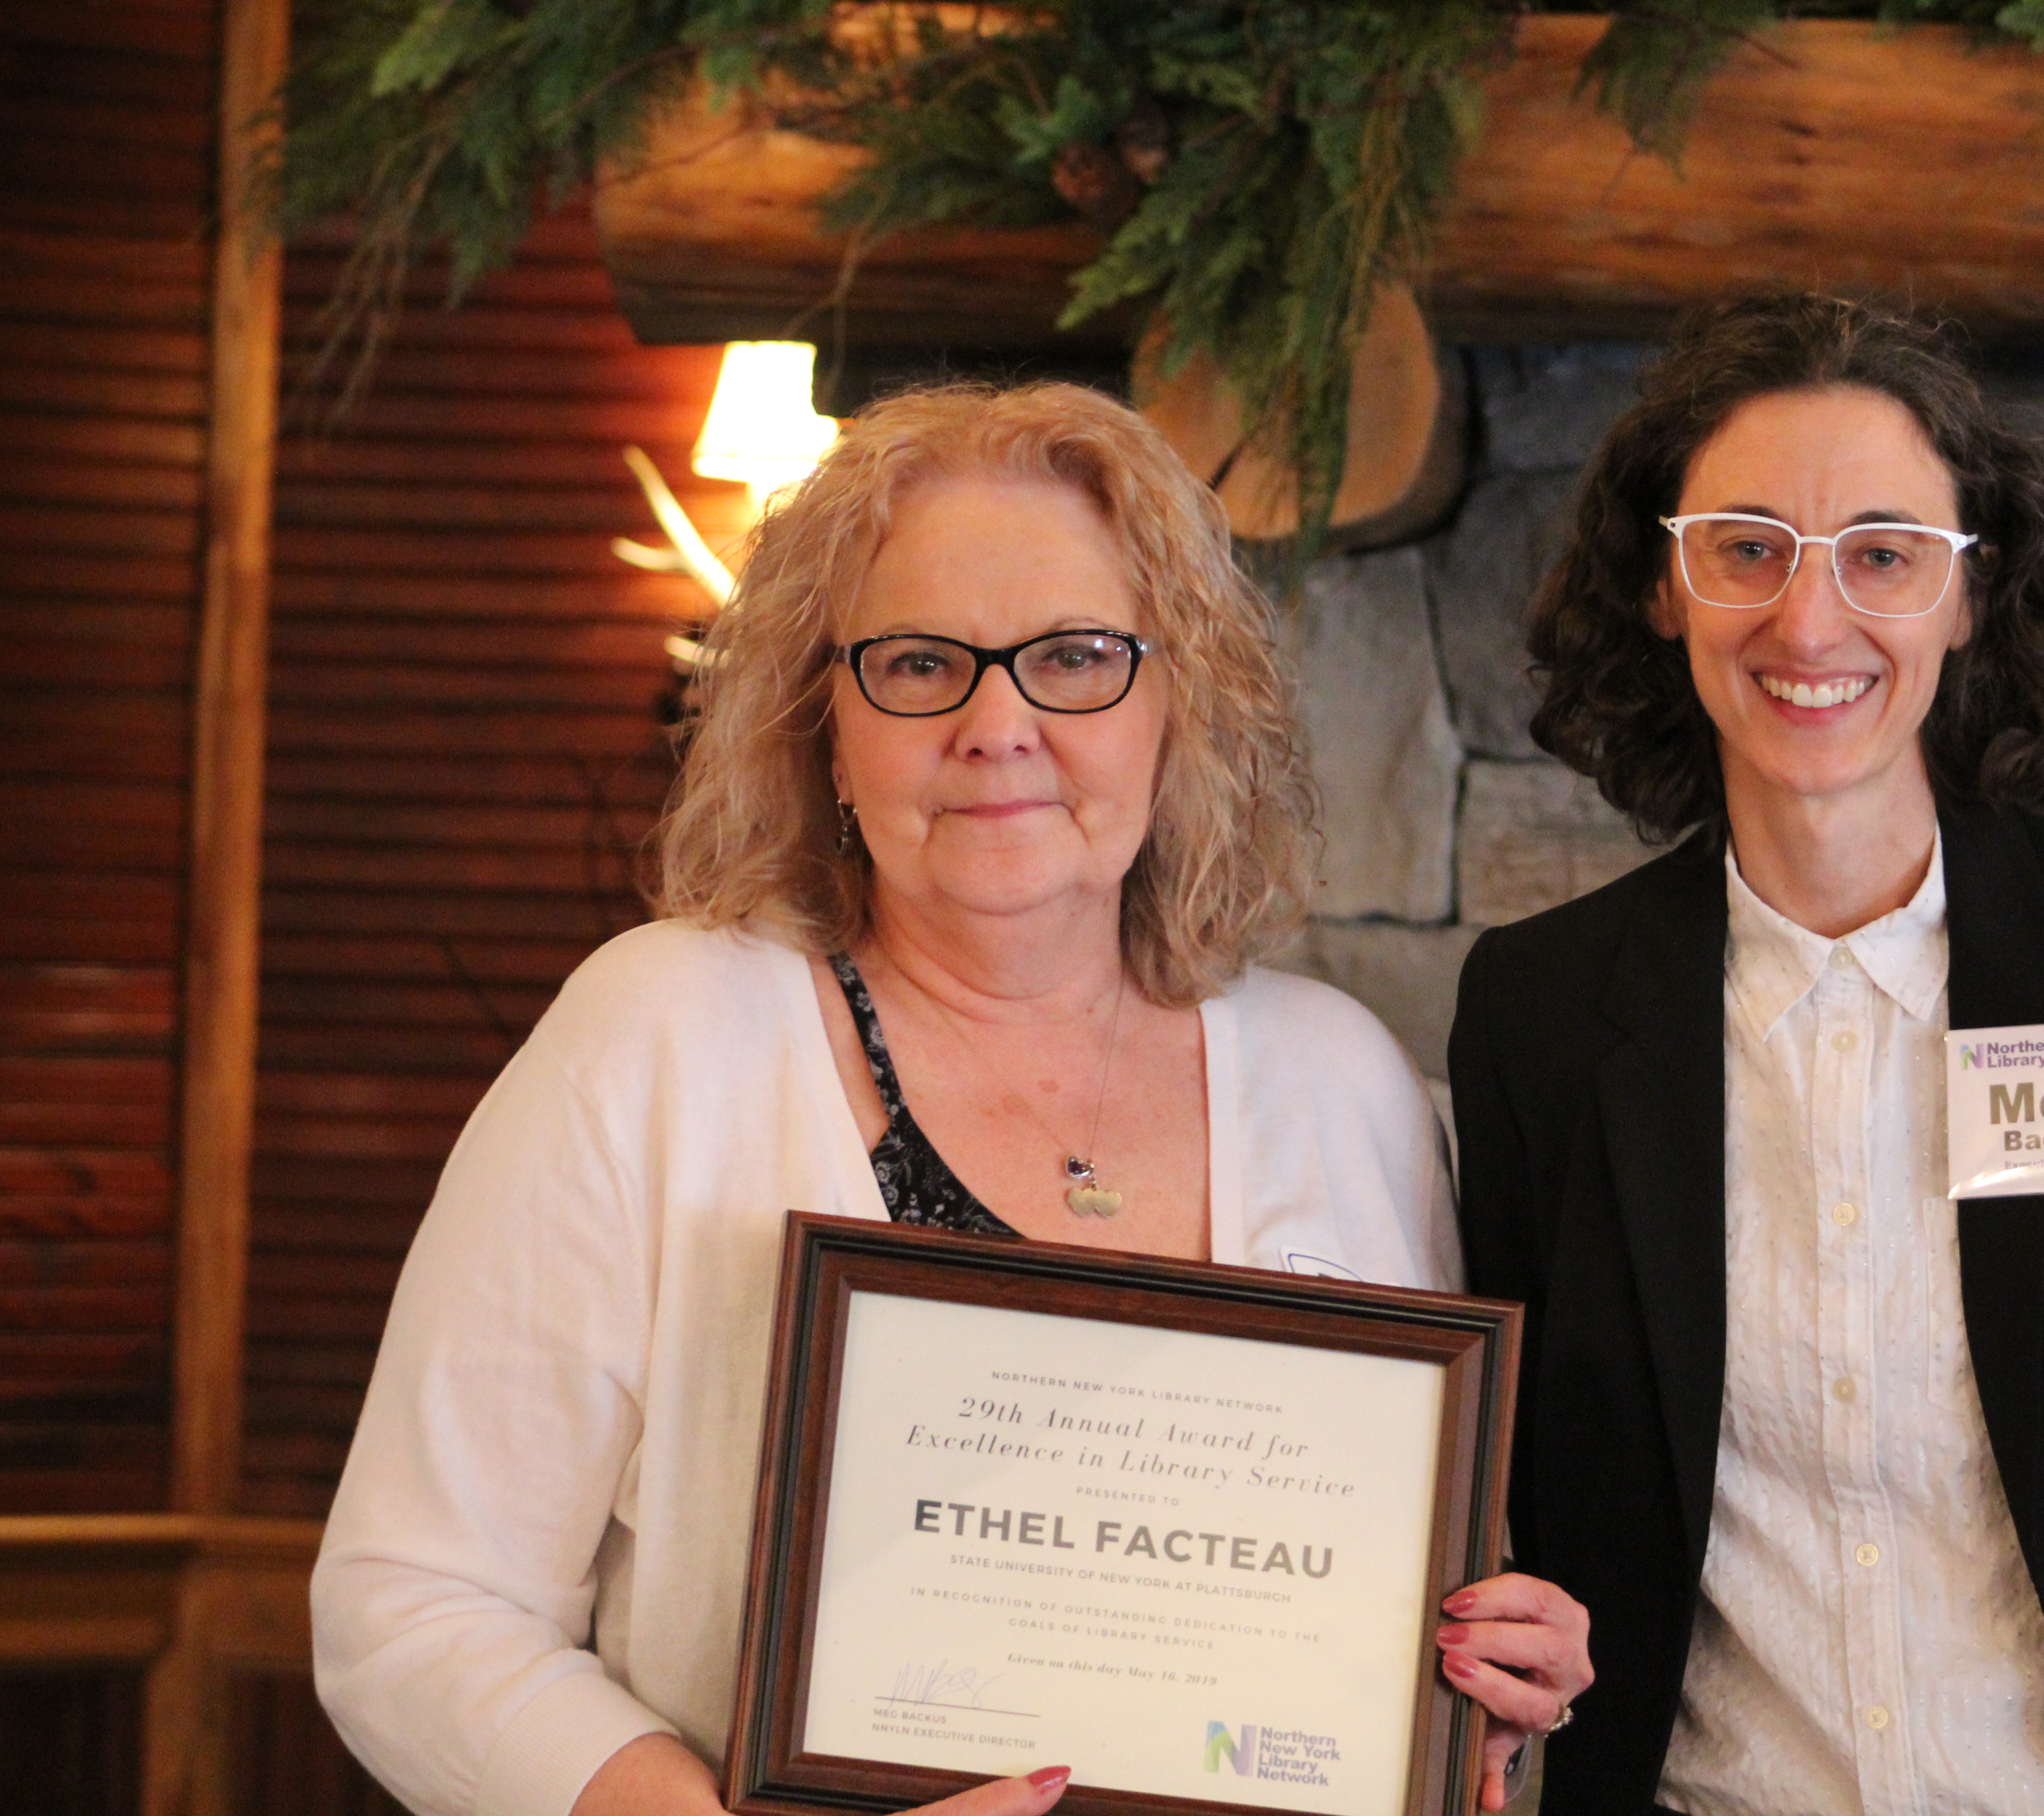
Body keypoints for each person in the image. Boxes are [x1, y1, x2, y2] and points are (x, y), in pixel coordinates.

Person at [314, 383, 1592, 1816]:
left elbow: (1387, 1614)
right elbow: (412, 1606)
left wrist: (1483, 1687)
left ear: (1179, 706)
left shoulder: (1341, 1080)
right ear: (826, 720)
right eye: (921, 663)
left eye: (1076, 657)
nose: (1000, 722)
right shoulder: (662, 1037)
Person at [1450, 295, 2044, 1816]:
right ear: (1664, 589)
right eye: (1747, 549)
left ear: (1967, 597)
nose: (1810, 624)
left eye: (1882, 555)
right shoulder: (1541, 1012)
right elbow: (1526, 1496)